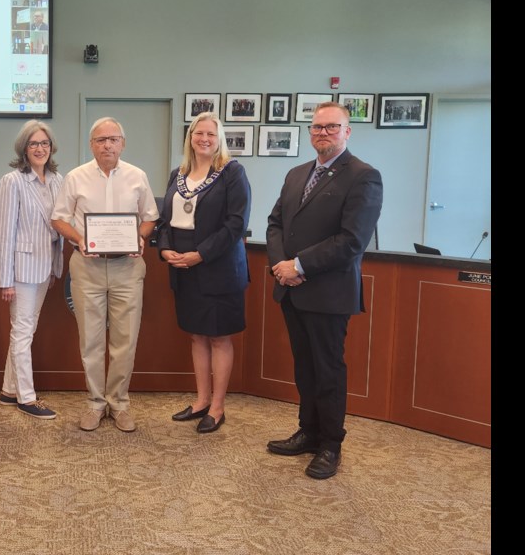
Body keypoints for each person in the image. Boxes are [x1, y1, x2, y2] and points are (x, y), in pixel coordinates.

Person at [265, 101, 383, 479]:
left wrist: (298, 265)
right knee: (305, 366)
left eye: (332, 127)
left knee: (328, 369)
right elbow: (275, 224)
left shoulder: (363, 176)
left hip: (328, 292)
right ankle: (309, 432)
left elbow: (352, 240)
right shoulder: (297, 173)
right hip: (292, 290)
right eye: (317, 127)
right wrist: (282, 267)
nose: (323, 133)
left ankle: (331, 444)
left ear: (348, 131)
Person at [51, 117, 159, 432]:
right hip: (87, 268)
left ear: (122, 143)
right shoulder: (75, 177)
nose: (107, 145)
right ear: (91, 145)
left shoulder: (137, 176)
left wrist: (140, 236)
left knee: (125, 340)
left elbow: (150, 217)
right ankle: (96, 404)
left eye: (113, 139)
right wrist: (81, 239)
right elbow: (58, 219)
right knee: (91, 341)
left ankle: (119, 404)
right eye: (100, 140)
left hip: (127, 268)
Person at [157, 112, 251, 434]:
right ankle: (201, 401)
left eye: (211, 133)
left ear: (219, 138)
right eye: (199, 133)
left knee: (219, 337)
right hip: (184, 268)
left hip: (218, 267)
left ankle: (218, 407)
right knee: (197, 335)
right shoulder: (177, 173)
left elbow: (236, 224)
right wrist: (165, 248)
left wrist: (201, 254)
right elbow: (165, 219)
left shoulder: (232, 173)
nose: (205, 139)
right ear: (190, 137)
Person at [0, 120, 65, 419]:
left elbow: (61, 224)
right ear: (24, 148)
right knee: (22, 332)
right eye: (34, 144)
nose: (40, 149)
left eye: (45, 143)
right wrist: (5, 280)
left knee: (26, 330)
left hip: (45, 266)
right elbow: (5, 232)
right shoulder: (13, 181)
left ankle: (9, 389)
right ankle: (27, 397)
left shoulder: (57, 180)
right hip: (21, 270)